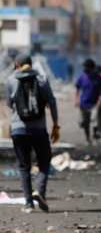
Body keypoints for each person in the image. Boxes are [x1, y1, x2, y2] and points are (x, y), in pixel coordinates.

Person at [6, 53, 60, 213]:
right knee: (44, 161)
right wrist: (56, 125)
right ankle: (40, 191)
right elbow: (52, 101)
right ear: (31, 65)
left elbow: (10, 104)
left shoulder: (10, 79)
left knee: (24, 166)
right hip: (39, 129)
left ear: (17, 65)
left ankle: (28, 203)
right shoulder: (42, 79)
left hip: (18, 129)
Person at [75, 58, 101, 146]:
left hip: (94, 104)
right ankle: (87, 139)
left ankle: (95, 137)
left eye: (86, 67)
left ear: (91, 67)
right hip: (84, 104)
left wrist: (99, 101)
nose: (85, 68)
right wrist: (75, 100)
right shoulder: (82, 77)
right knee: (85, 123)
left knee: (95, 122)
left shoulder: (97, 77)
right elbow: (77, 89)